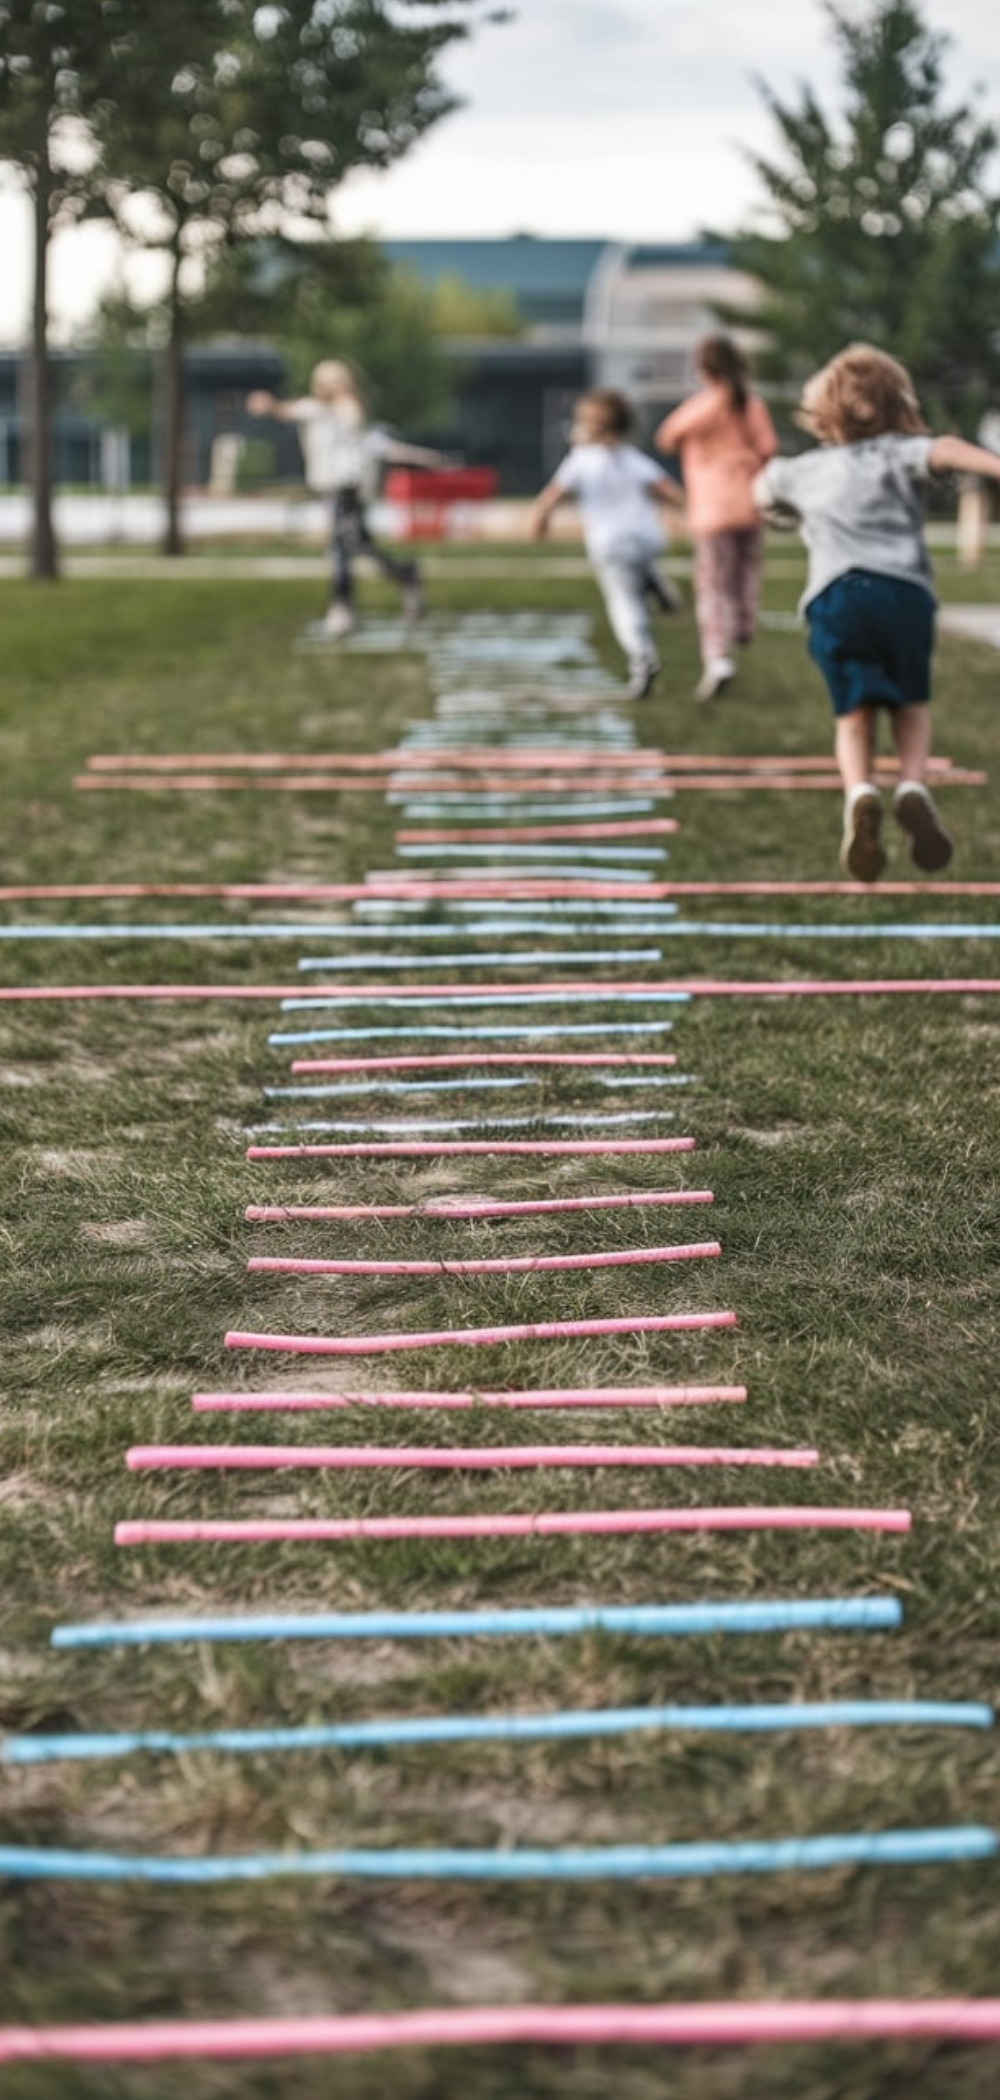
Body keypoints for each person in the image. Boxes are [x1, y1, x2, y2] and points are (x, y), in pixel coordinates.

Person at [753, 342, 1000, 881]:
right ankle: (912, 783)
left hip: (836, 598)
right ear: (896, 408)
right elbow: (949, 450)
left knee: (854, 713)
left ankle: (860, 791)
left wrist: (779, 513)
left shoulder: (799, 470)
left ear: (821, 414)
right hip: (903, 596)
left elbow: (763, 490)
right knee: (910, 702)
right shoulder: (898, 453)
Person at [247, 360, 446, 636]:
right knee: (357, 546)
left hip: (348, 488)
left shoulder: (347, 410)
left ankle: (343, 608)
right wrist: (270, 405)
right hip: (331, 488)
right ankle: (406, 575)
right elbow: (288, 410)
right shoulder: (314, 408)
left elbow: (356, 425)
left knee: (342, 547)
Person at [529, 389, 684, 699]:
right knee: (637, 568)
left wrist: (540, 523)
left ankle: (641, 654)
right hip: (647, 537)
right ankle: (654, 581)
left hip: (611, 543)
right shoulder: (634, 459)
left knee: (624, 602)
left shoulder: (581, 461)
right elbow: (671, 492)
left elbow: (549, 499)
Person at [656, 335, 778, 702]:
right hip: (748, 503)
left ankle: (718, 657)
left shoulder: (701, 407)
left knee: (712, 585)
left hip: (711, 510)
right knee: (746, 571)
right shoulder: (751, 406)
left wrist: (712, 404)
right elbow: (768, 448)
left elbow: (666, 436)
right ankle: (743, 623)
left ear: (704, 370)